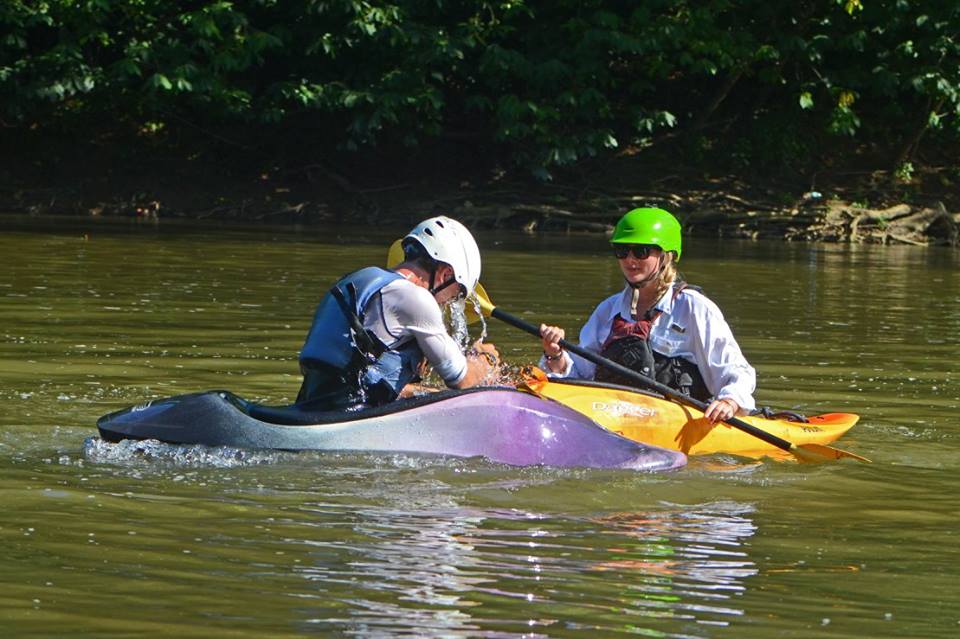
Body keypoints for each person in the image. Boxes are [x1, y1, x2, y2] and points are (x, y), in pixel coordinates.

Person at [538, 207, 755, 424]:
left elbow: (736, 371)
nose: (630, 260)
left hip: (674, 424)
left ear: (666, 256)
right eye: (622, 250)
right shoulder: (607, 310)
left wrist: (729, 402)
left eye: (641, 251)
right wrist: (554, 354)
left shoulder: (695, 308)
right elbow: (579, 376)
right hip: (612, 417)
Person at [297, 215, 500, 409]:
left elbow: (366, 381)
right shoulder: (416, 298)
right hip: (350, 412)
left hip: (312, 403)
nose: (448, 303)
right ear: (445, 274)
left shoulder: (357, 279)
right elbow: (462, 380)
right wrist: (484, 361)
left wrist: (432, 393)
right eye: (455, 295)